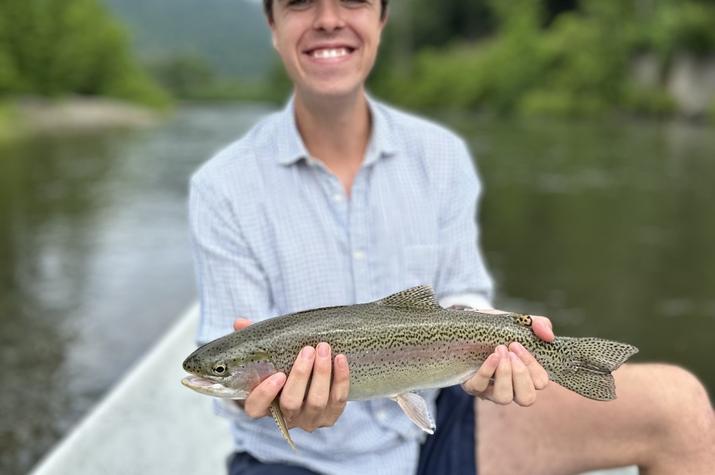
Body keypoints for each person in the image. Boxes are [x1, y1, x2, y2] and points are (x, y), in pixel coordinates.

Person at [188, 1, 715, 474]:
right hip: (296, 460)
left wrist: (500, 348)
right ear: (272, 24)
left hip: (441, 413)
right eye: (300, 1)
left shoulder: (440, 154)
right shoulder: (223, 186)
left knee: (681, 406)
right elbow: (231, 392)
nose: (328, 17)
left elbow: (462, 296)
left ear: (382, 17)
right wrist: (255, 396)